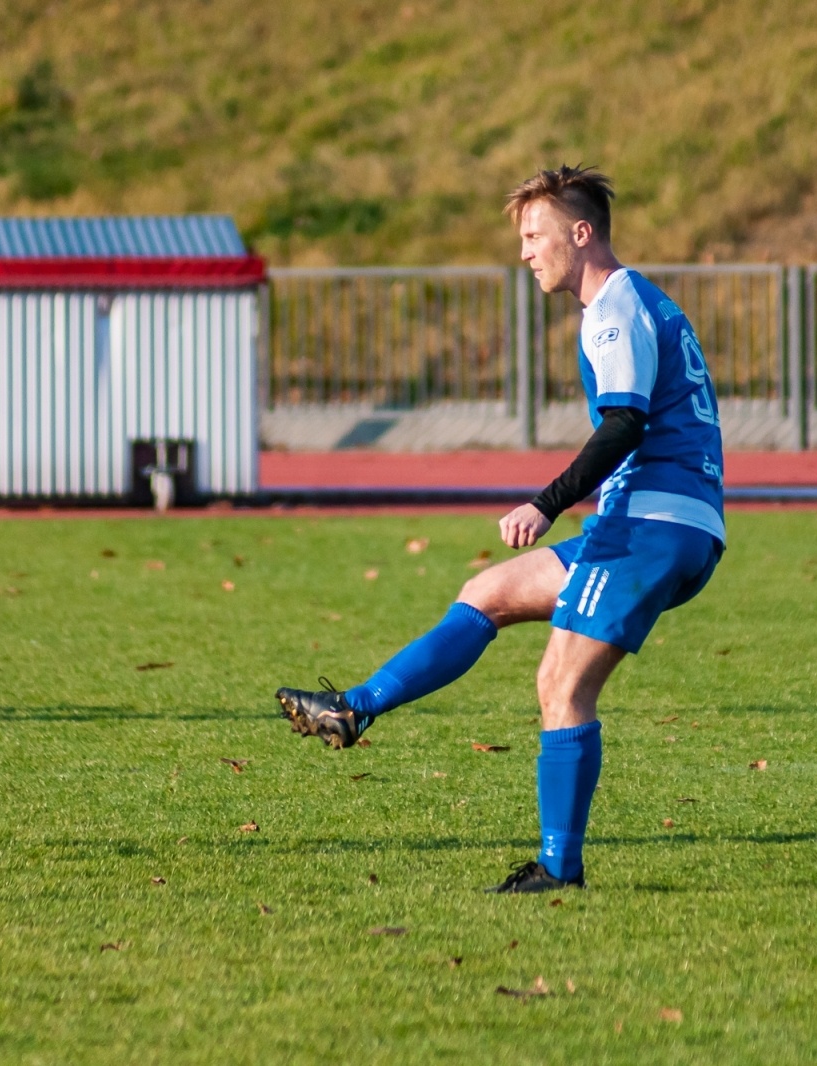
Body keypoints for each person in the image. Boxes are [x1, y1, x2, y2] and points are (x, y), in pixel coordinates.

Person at [275, 165, 726, 893]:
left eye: (535, 235)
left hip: (650, 525)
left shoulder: (614, 310)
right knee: (488, 592)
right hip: (664, 521)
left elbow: (625, 423)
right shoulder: (633, 301)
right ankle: (355, 708)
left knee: (560, 686)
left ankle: (558, 870)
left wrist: (545, 503)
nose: (525, 252)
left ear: (582, 233)